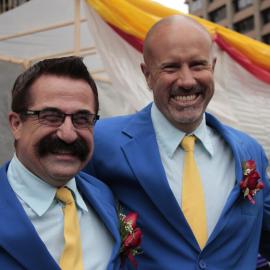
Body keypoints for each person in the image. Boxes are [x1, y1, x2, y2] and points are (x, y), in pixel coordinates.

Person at [84, 15, 270, 269]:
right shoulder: (101, 142)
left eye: (197, 65)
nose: (186, 81)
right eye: (170, 67)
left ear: (212, 67)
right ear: (147, 75)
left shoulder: (250, 151)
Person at [0, 56, 121, 270]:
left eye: (82, 119)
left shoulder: (103, 196)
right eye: (50, 116)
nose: (68, 134)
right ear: (16, 124)